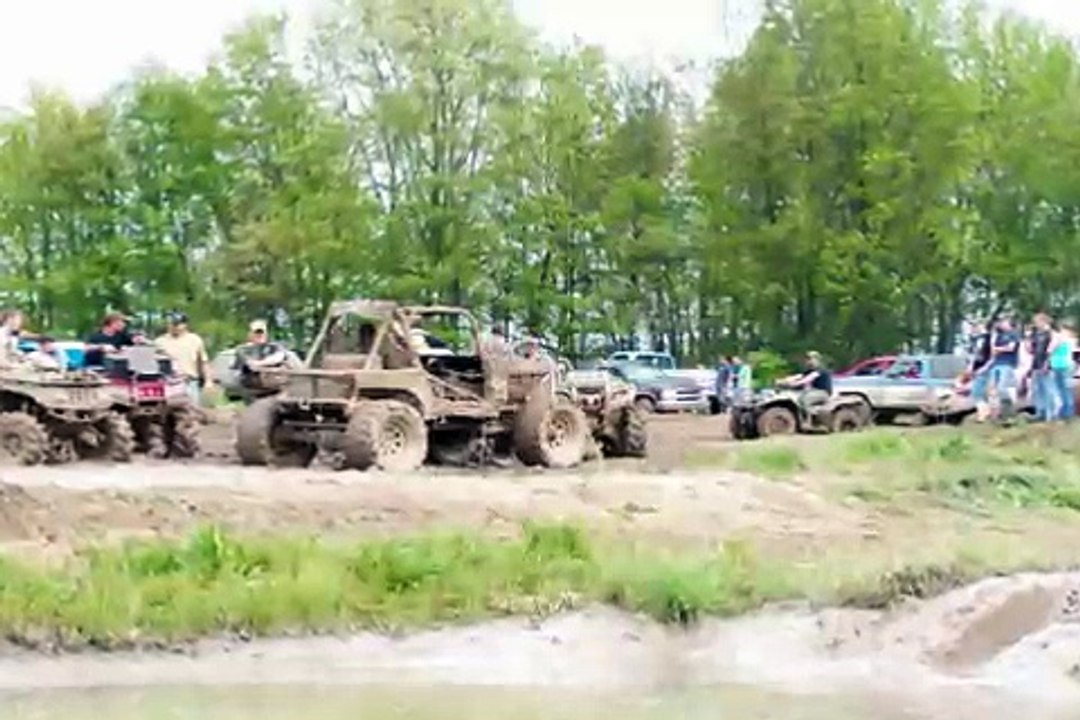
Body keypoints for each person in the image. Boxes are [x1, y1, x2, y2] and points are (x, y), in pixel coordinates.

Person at [155, 312, 211, 405]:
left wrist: (208, 380)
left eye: (177, 324)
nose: (174, 327)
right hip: (168, 383)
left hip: (189, 381)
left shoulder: (195, 340)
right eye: (171, 324)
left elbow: (203, 361)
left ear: (185, 325)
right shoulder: (159, 342)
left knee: (192, 411)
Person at [988, 317, 1020, 415]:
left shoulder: (1014, 334)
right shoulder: (999, 335)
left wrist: (998, 349)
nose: (1001, 324)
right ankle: (997, 411)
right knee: (992, 388)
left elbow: (1011, 348)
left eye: (1004, 322)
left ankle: (1009, 407)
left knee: (1003, 387)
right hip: (996, 363)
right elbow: (992, 349)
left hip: (1007, 363)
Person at [1029, 312, 1055, 422]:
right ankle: (1040, 412)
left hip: (1045, 364)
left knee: (1047, 389)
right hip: (1035, 364)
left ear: (1043, 321)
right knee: (1036, 390)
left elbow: (1051, 351)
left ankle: (1050, 414)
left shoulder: (1050, 334)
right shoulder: (1035, 334)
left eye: (1037, 321)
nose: (1035, 324)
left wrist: (1047, 364)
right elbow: (1031, 350)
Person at [1050, 321, 1077, 421]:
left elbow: (1052, 348)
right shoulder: (1065, 339)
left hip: (1064, 365)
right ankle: (1065, 411)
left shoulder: (1067, 340)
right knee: (1061, 389)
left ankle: (1068, 411)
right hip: (1058, 365)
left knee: (1064, 389)